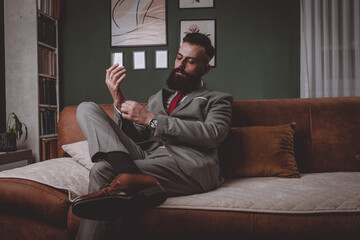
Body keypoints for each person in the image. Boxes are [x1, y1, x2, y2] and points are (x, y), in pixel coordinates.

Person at [73, 31, 233, 240]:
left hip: (188, 166)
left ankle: (129, 175)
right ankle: (131, 174)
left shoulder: (217, 99)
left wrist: (152, 119)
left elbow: (214, 133)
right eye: (178, 58)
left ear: (205, 68)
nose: (180, 65)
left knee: (102, 170)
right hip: (148, 157)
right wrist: (119, 104)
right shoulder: (157, 98)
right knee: (86, 108)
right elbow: (137, 137)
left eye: (190, 61)